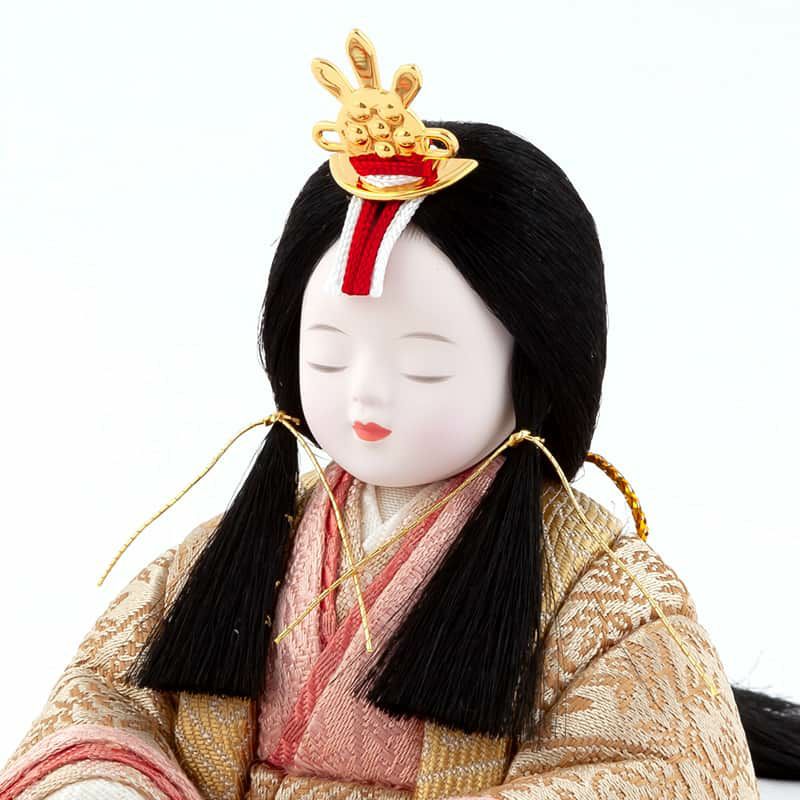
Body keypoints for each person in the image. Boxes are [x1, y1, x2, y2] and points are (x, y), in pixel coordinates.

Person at [2, 29, 796, 800]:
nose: (366, 394)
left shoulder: (600, 592)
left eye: (424, 364)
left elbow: (661, 769)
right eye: (328, 356)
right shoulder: (229, 551)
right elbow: (105, 698)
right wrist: (104, 779)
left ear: (535, 367)